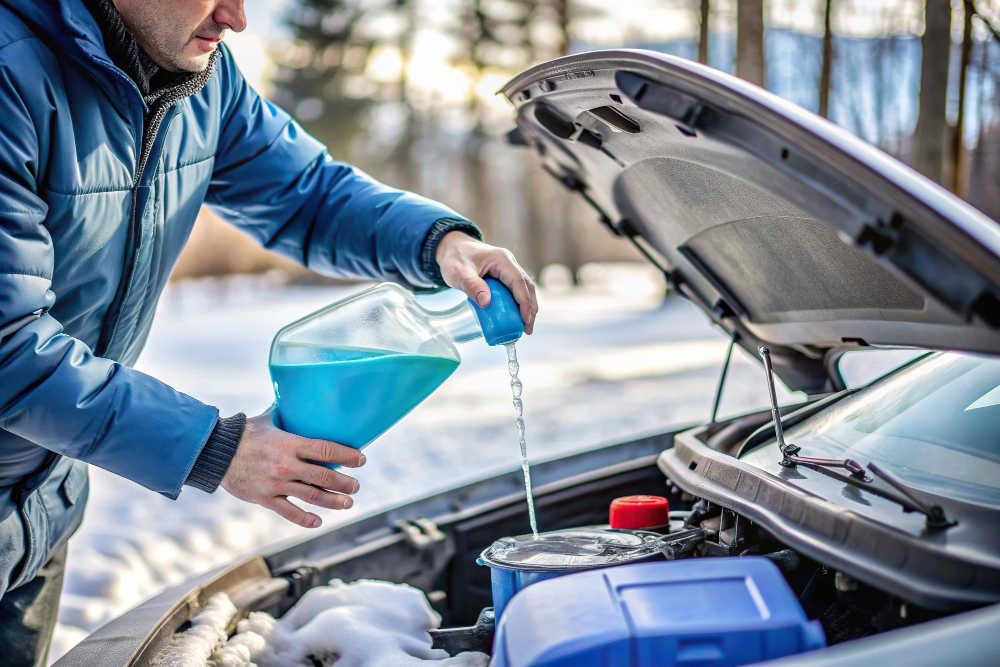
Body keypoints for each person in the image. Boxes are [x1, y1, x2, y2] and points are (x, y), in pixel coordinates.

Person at [0, 0, 539, 663]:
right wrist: (217, 447)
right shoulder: (11, 74)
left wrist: (440, 244)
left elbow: (308, 193)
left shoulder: (198, 76)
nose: (237, 17)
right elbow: (8, 351)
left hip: (41, 500)